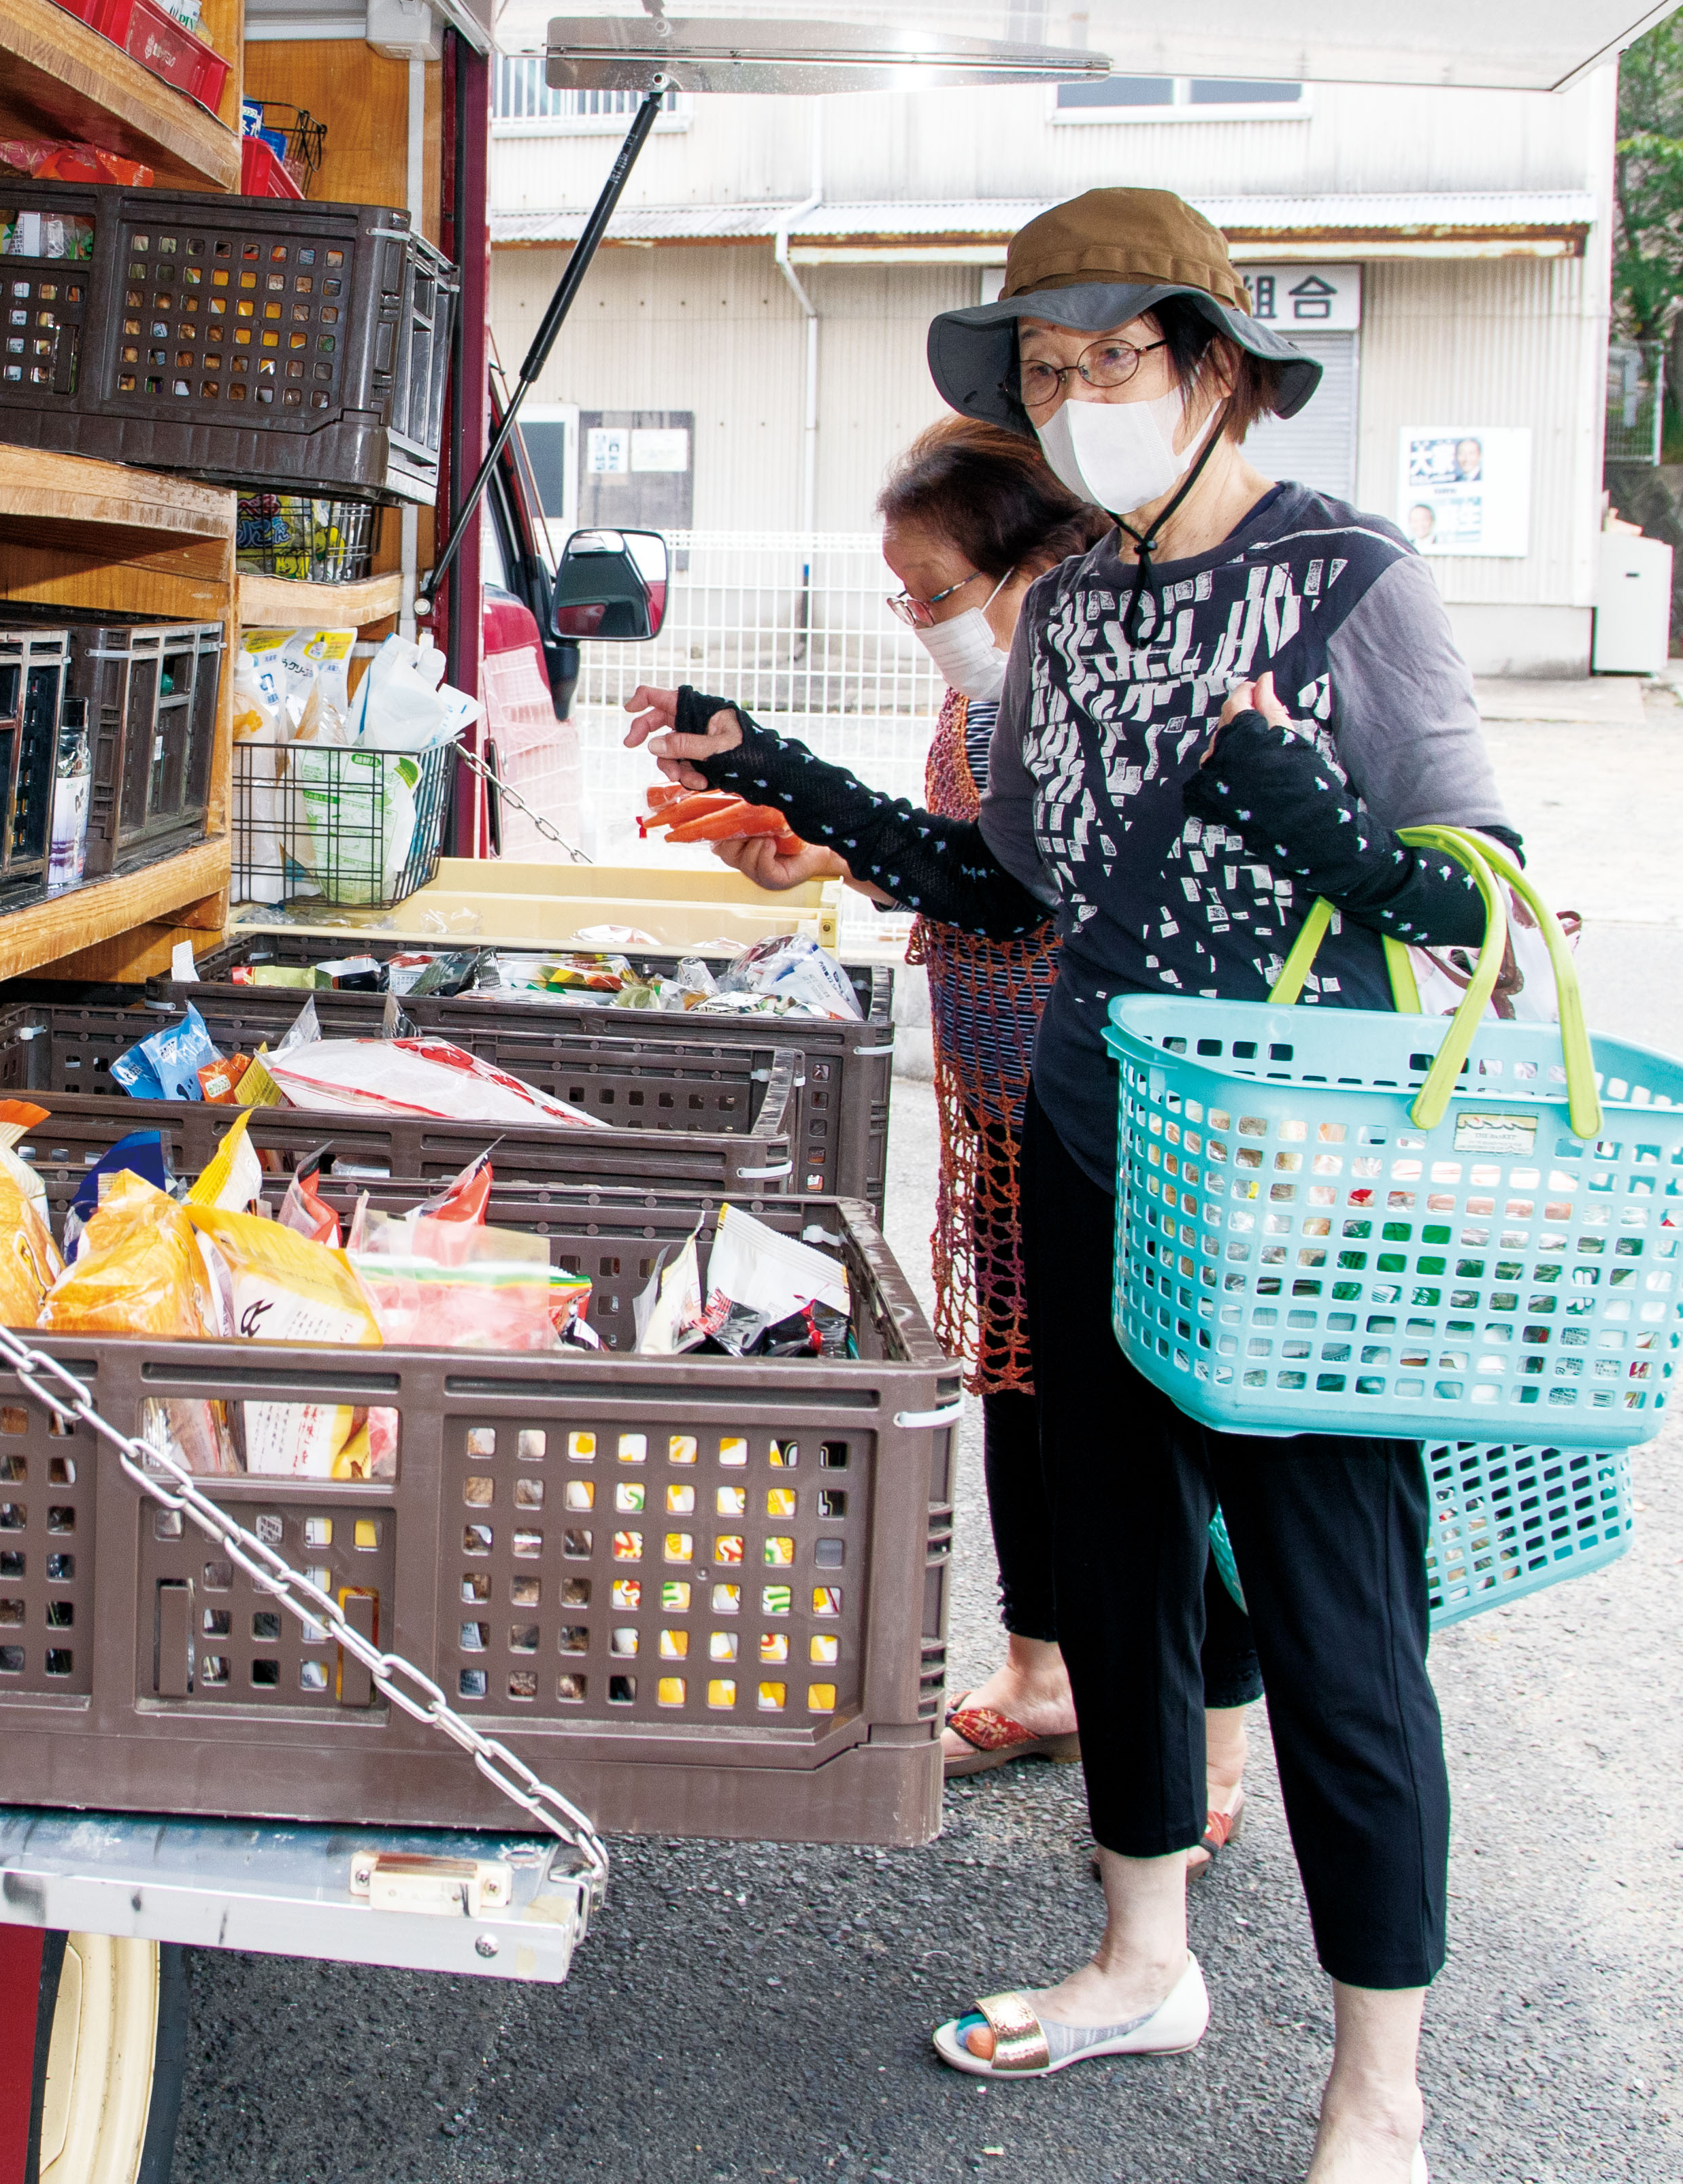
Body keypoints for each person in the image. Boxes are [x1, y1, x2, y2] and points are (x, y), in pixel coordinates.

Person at [627, 186, 1522, 2184]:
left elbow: (1488, 917)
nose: (1076, 398)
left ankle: (1382, 2085)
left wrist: (1305, 808)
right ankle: (1142, 1957)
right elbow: (1007, 885)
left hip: (1310, 1193)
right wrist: (771, 762)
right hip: (1099, 1137)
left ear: (1213, 366)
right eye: (1045, 370)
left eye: (1110, 360)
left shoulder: (1349, 578)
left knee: (1335, 1620)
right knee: (1114, 1577)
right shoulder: (1088, 603)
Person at [872, 420, 1259, 1855]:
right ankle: (1043, 1673)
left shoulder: (1114, 693)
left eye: (933, 588)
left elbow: (1020, 887)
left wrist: (843, 837)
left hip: (1110, 1117)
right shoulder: (990, 685)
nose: (921, 619)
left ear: (1045, 559)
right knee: (1016, 1388)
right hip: (996, 1100)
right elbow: (950, 857)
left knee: (1151, 1431)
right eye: (902, 593)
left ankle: (1213, 1733)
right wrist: (826, 843)